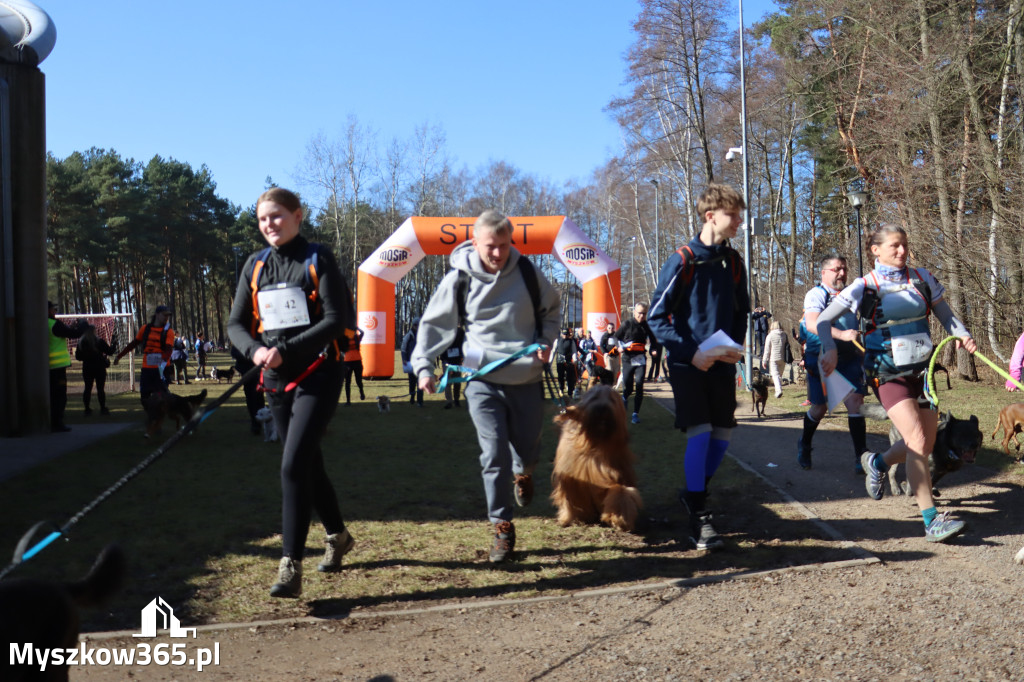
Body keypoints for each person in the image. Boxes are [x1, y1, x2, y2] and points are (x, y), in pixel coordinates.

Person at [227, 187, 357, 597]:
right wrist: (257, 351)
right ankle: (337, 535)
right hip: (276, 380)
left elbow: (338, 319)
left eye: (277, 216)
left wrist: (285, 351)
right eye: (263, 219)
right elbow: (235, 325)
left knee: (292, 464)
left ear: (298, 215)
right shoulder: (255, 265)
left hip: (319, 373)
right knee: (308, 464)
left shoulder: (318, 258)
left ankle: (290, 566)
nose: (270, 225)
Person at [412, 209, 560, 563]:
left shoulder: (527, 272)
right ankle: (502, 527)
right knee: (493, 454)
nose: (497, 254)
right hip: (481, 381)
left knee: (528, 450)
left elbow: (552, 310)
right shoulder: (459, 279)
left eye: (504, 245)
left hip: (526, 378)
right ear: (475, 242)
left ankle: (523, 474)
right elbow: (434, 325)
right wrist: (423, 367)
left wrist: (546, 340)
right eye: (490, 246)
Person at [817, 223, 976, 543]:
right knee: (917, 440)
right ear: (875, 250)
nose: (902, 251)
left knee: (924, 444)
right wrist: (830, 346)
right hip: (887, 374)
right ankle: (932, 521)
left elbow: (945, 314)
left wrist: (961, 333)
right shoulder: (865, 286)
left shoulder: (922, 278)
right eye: (894, 246)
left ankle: (876, 461)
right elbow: (823, 320)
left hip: (924, 372)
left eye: (904, 245)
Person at [647, 184, 748, 551]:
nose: (739, 221)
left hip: (722, 362)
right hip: (687, 363)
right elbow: (657, 318)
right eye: (733, 215)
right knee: (701, 432)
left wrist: (736, 347)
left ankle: (693, 494)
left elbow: (742, 311)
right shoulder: (683, 259)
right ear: (711, 216)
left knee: (722, 436)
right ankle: (700, 515)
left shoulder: (734, 262)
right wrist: (691, 353)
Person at [796, 255, 868, 472]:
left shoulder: (851, 294)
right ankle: (805, 444)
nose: (842, 273)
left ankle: (861, 458)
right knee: (820, 408)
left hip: (850, 358)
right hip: (822, 357)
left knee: (856, 403)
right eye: (837, 269)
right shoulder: (816, 294)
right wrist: (842, 335)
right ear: (824, 273)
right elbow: (812, 324)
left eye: (844, 269)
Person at [114, 305, 175, 403]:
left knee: (161, 396)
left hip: (162, 369)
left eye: (168, 316)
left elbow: (168, 349)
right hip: (147, 369)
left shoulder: (169, 332)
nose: (166, 318)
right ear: (157, 315)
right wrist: (119, 356)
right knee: (144, 397)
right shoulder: (145, 329)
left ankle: (159, 415)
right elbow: (133, 344)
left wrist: (163, 363)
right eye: (164, 315)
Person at [47, 301, 87, 432]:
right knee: (59, 396)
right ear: (47, 310)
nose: (55, 311)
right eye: (54, 309)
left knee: (51, 396)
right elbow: (73, 334)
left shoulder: (43, 324)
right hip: (57, 367)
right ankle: (57, 423)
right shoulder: (54, 324)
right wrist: (82, 326)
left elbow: (63, 333)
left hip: (45, 367)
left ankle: (51, 421)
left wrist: (71, 327)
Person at [614, 303, 655, 424]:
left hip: (640, 358)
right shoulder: (627, 324)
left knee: (639, 383)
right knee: (628, 385)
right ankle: (624, 397)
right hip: (627, 359)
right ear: (634, 312)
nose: (641, 316)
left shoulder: (646, 326)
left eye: (644, 313)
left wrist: (653, 349)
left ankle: (635, 414)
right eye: (639, 313)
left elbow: (653, 340)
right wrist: (619, 347)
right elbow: (616, 337)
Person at [75, 324, 116, 416]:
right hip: (99, 367)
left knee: (87, 388)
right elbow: (110, 351)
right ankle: (103, 408)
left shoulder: (81, 342)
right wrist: (114, 343)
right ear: (94, 331)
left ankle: (87, 409)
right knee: (100, 389)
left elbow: (78, 357)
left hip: (87, 368)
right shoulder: (99, 341)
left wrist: (86, 357)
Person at [231, 344, 265, 434]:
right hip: (247, 372)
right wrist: (250, 356)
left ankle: (262, 421)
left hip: (259, 371)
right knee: (250, 397)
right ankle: (255, 423)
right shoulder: (240, 336)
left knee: (259, 397)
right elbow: (234, 352)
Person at [760, 321, 789, 399]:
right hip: (783, 358)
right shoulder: (784, 335)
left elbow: (767, 350)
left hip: (773, 358)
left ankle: (778, 391)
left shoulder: (770, 335)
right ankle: (778, 390)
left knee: (775, 375)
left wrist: (764, 361)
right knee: (779, 375)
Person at [401, 320, 424, 406]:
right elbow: (403, 348)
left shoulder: (422, 336)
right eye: (416, 325)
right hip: (411, 363)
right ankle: (412, 397)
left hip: (420, 362)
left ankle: (420, 401)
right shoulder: (408, 336)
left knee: (420, 382)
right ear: (413, 326)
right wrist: (404, 359)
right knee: (412, 382)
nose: (417, 327)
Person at [553, 328, 579, 399]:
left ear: (568, 334)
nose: (565, 336)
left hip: (569, 361)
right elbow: (553, 351)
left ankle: (570, 392)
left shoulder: (571, 341)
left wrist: (575, 359)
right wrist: (550, 361)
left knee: (570, 377)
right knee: (560, 376)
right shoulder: (557, 340)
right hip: (560, 360)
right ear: (561, 334)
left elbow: (574, 351)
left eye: (566, 334)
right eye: (563, 334)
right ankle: (561, 389)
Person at [343, 327, 366, 405]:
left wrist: (356, 328)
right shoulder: (346, 339)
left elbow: (362, 332)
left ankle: (361, 392)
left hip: (355, 361)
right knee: (348, 382)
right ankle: (348, 401)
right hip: (348, 362)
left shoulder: (356, 338)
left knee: (357, 380)